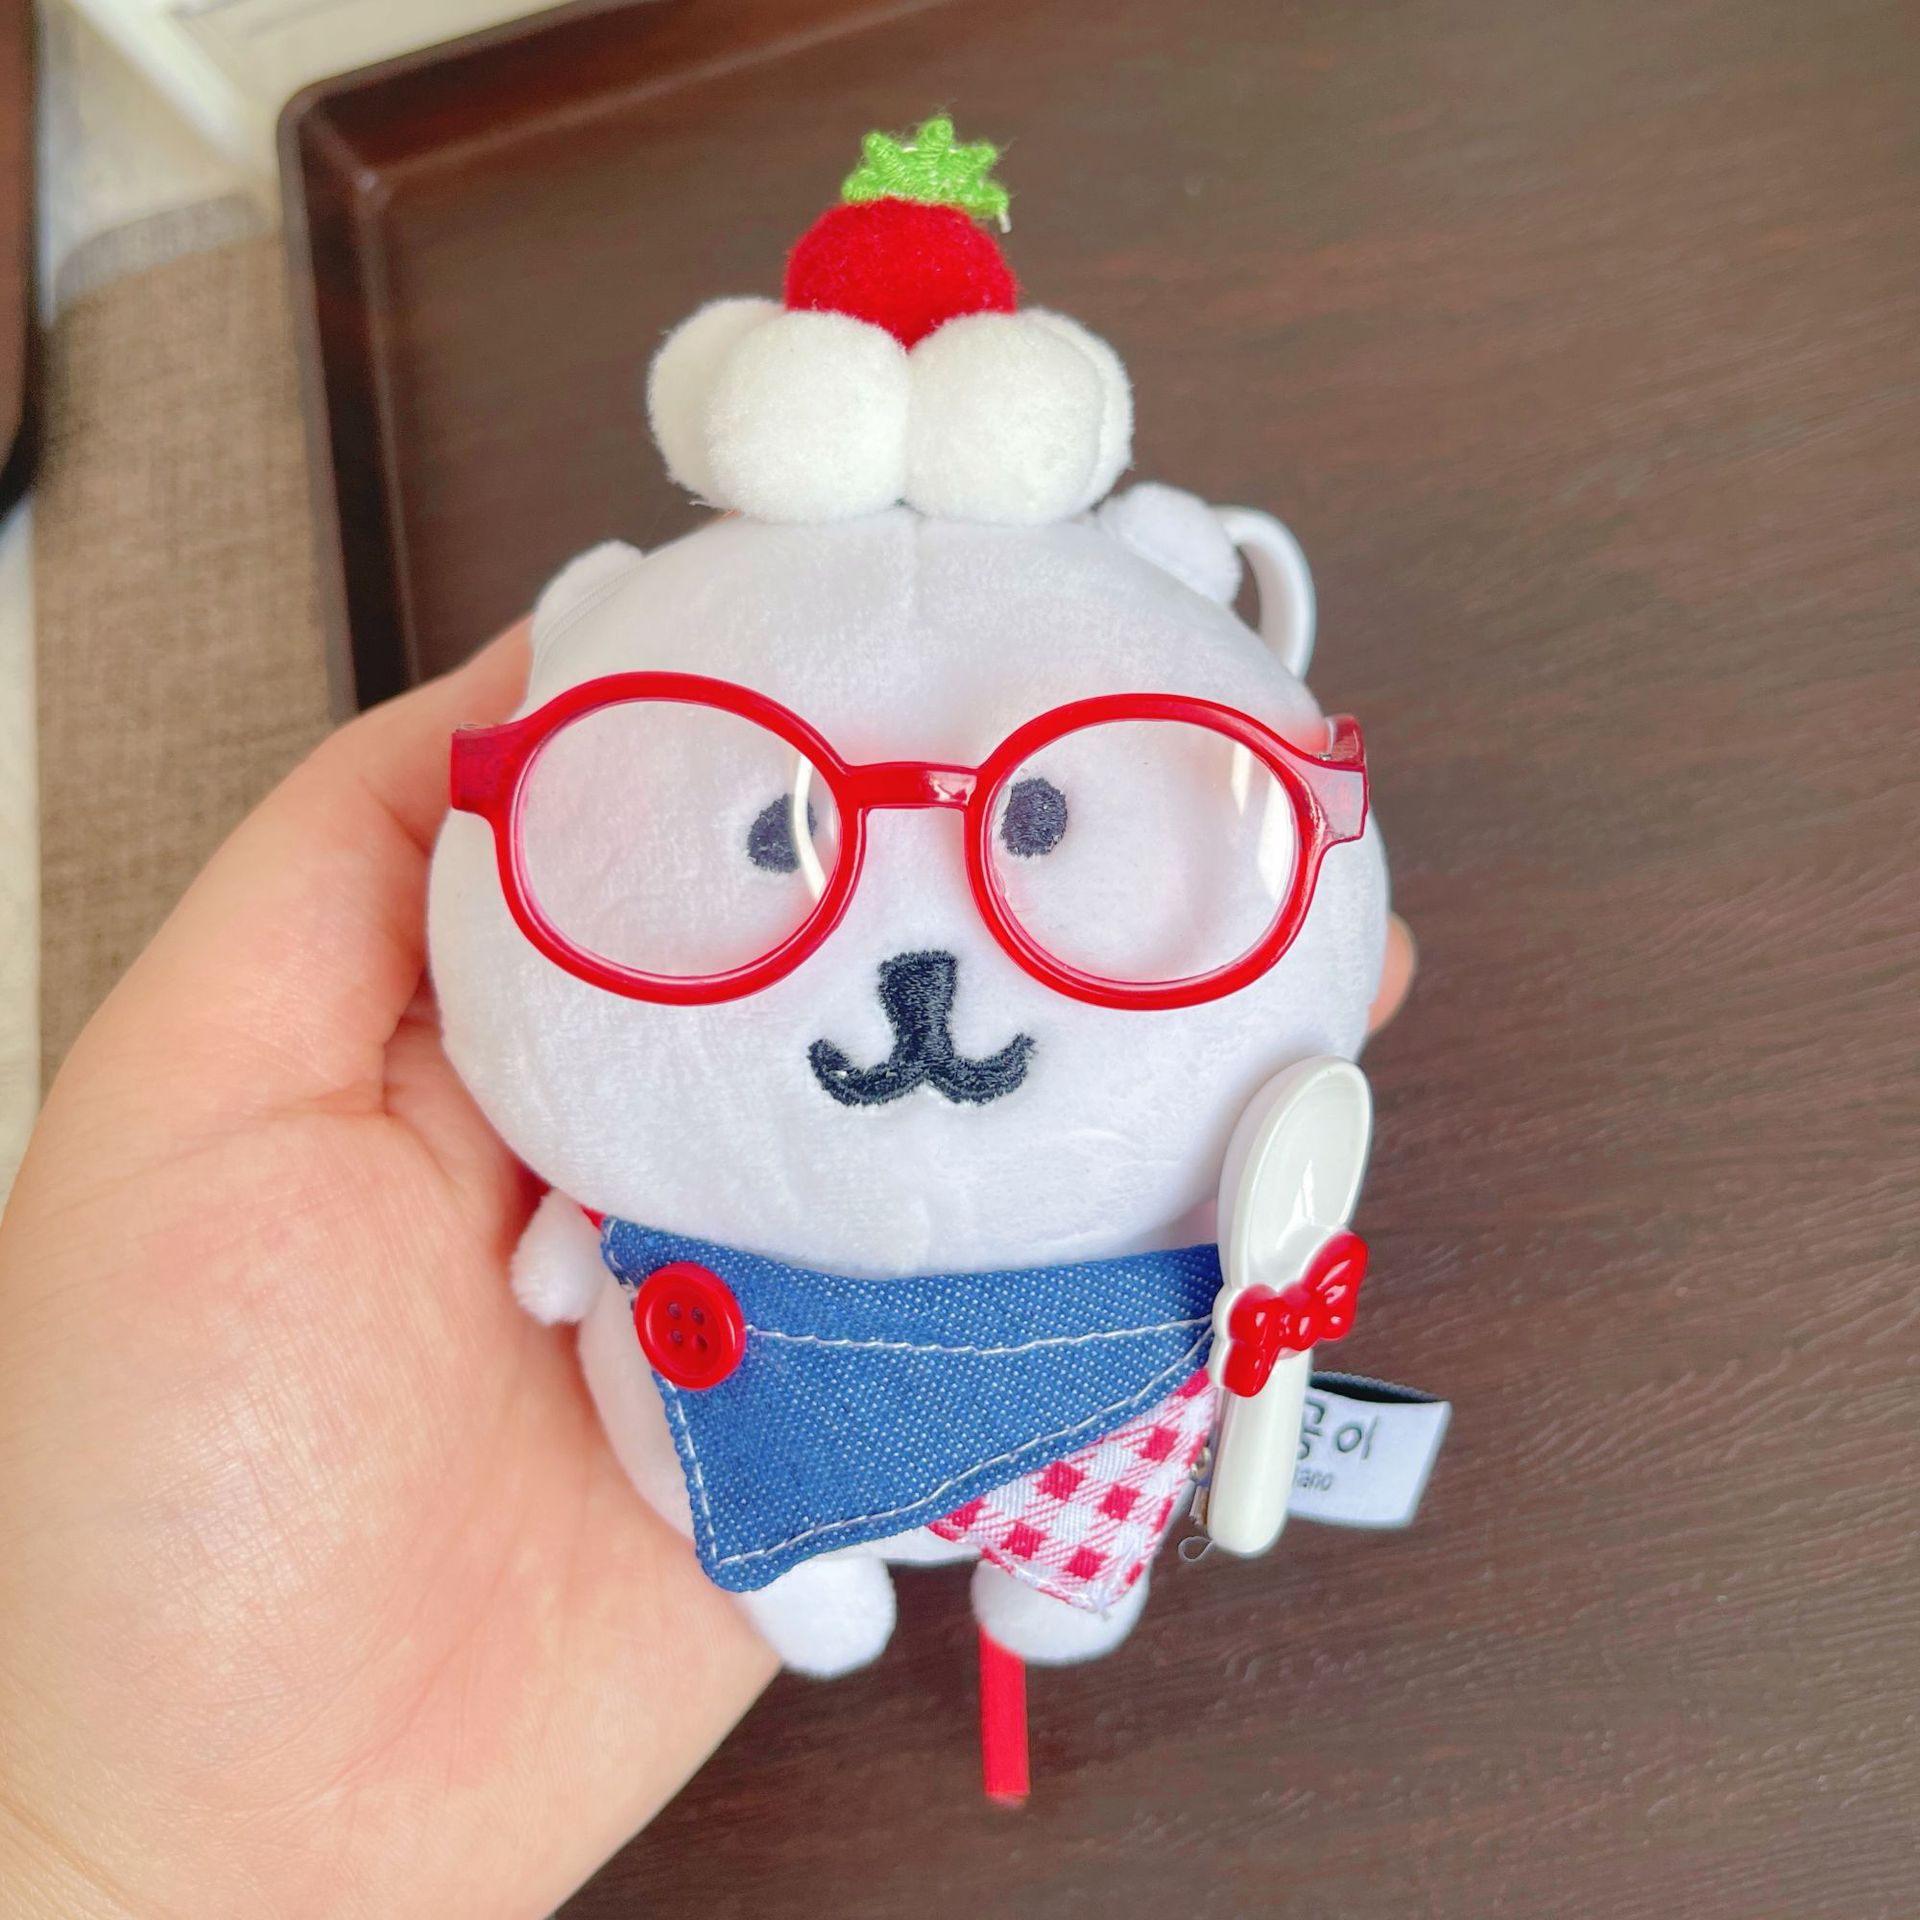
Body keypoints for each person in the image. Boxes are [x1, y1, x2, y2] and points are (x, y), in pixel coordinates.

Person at [0, 623, 1415, 1914]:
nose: (913, 937)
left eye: (1031, 824)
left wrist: (89, 1858)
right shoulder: (630, 1161)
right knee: (751, 1482)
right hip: (725, 1382)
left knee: (1067, 1481)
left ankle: (1052, 1579)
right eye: (792, 833)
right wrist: (77, 1849)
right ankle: (826, 1579)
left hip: (1084, 1368)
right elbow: (576, 1243)